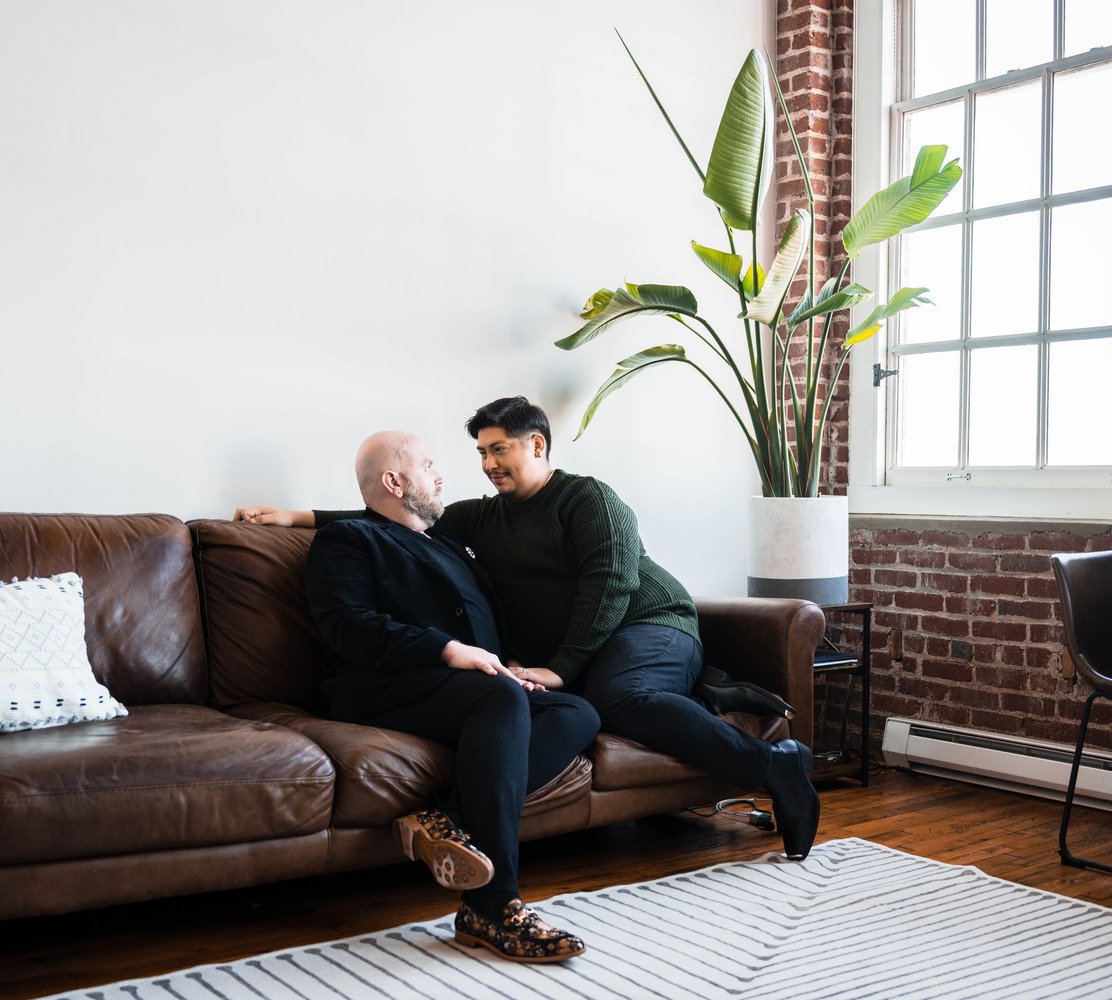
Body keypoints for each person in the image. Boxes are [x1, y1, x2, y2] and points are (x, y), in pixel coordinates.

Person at [237, 397, 820, 860]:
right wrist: (296, 517)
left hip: (650, 622)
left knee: (621, 696)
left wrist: (562, 668)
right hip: (588, 645)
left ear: (536, 444)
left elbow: (610, 587)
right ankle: (708, 703)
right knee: (585, 705)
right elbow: (395, 517)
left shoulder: (588, 498)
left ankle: (777, 765)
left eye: (500, 449)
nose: (488, 464)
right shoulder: (480, 516)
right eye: (481, 453)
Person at [301, 430, 597, 963]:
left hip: (472, 686)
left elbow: (487, 627)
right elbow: (346, 626)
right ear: (394, 481)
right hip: (386, 686)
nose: (441, 475)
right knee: (500, 702)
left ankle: (446, 821)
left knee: (576, 712)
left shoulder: (448, 544)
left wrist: (507, 666)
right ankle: (492, 904)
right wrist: (447, 649)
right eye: (429, 464)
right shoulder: (349, 539)